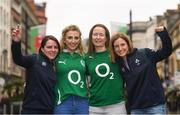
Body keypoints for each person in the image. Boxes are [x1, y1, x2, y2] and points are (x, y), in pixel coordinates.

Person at [109, 26, 172, 114]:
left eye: (123, 44)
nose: (120, 49)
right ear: (113, 49)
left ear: (128, 44)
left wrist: (163, 34)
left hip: (155, 106)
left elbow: (166, 51)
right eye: (116, 46)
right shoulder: (117, 64)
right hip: (136, 109)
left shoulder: (145, 54)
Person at [11, 25, 60, 114]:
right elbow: (18, 59)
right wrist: (16, 42)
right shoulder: (34, 59)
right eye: (49, 47)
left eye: (55, 47)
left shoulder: (56, 66)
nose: (53, 50)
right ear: (42, 49)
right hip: (31, 111)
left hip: (49, 111)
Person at [85, 24, 126, 114]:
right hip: (94, 107)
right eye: (95, 34)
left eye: (101, 34)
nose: (98, 37)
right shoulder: (86, 58)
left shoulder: (116, 54)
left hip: (116, 105)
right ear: (91, 37)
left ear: (106, 38)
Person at [54, 25, 89, 114]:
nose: (73, 41)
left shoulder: (85, 57)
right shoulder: (56, 56)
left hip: (82, 102)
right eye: (70, 38)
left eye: (76, 38)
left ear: (79, 40)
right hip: (62, 102)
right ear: (64, 40)